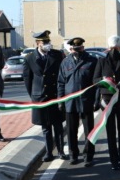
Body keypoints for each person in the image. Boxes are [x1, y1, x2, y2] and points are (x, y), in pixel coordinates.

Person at [23, 30, 67, 162]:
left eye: (48, 41)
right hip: (40, 97)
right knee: (46, 127)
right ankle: (49, 152)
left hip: (55, 95)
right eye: (45, 42)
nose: (48, 44)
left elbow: (62, 74)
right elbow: (27, 79)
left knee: (58, 126)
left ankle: (60, 151)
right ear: (38, 43)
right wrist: (34, 95)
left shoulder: (57, 55)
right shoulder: (29, 58)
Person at [93, 35, 120, 170]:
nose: (114, 51)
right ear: (108, 48)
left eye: (116, 48)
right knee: (111, 132)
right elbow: (95, 80)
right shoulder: (101, 61)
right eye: (112, 48)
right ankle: (114, 161)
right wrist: (105, 80)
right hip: (107, 100)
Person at [58, 37, 98, 167]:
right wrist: (60, 100)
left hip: (86, 101)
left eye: (79, 48)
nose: (77, 51)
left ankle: (88, 156)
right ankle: (73, 155)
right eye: (75, 49)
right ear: (71, 49)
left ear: (83, 47)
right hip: (70, 101)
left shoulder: (92, 61)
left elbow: (96, 83)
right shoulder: (65, 62)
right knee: (71, 130)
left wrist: (96, 100)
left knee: (89, 131)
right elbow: (61, 83)